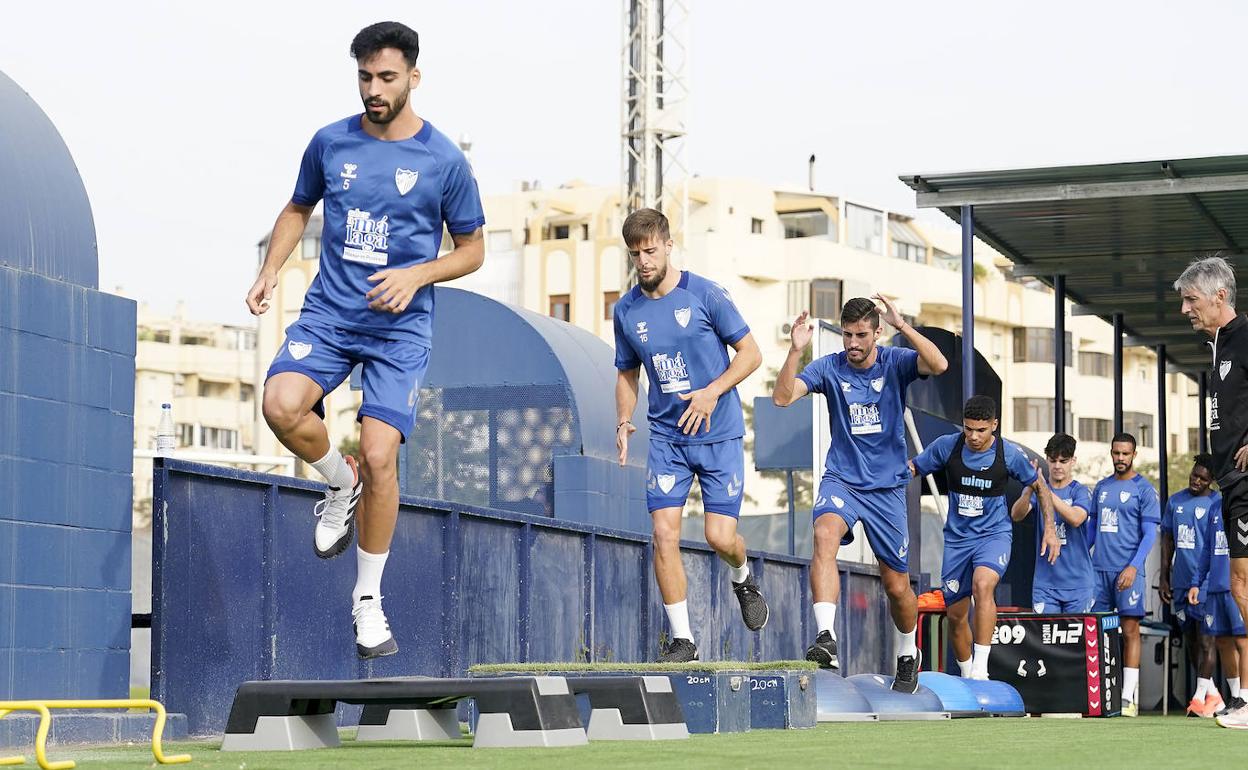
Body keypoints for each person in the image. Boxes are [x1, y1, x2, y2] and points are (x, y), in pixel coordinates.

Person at [245, 22, 485, 658]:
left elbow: (473, 250)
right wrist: (271, 268)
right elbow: (299, 207)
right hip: (330, 313)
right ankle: (335, 481)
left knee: (382, 455)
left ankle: (368, 602)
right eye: (364, 77)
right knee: (280, 406)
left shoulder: (443, 161)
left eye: (386, 77)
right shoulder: (330, 142)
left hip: (400, 329)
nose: (374, 89)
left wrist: (418, 273)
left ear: (413, 77)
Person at [613, 208, 767, 663]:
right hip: (666, 438)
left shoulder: (705, 294)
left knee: (721, 538)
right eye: (635, 253)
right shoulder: (626, 310)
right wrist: (623, 422)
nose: (643, 261)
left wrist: (712, 392)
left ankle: (742, 577)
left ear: (668, 245)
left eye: (650, 250)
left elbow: (751, 354)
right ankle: (684, 641)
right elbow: (626, 373)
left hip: (718, 435)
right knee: (663, 534)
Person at [772, 297, 947, 693]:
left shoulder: (896, 362)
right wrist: (796, 351)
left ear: (876, 333)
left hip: (887, 489)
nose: (852, 343)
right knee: (823, 536)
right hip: (843, 481)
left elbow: (939, 365)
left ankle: (907, 651)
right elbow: (782, 398)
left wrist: (904, 326)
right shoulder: (829, 368)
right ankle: (826, 638)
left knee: (897, 586)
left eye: (861, 335)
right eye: (848, 334)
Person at [910, 396, 1059, 681]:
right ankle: (968, 676)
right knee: (955, 616)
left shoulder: (1009, 454)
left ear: (994, 425)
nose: (974, 437)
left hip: (994, 536)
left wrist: (1050, 528)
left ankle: (981, 668)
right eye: (969, 429)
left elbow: (1038, 484)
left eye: (981, 430)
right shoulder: (948, 446)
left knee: (983, 584)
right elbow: (914, 468)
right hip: (957, 541)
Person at [1176, 255, 1248, 727]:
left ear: (1220, 296)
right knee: (1242, 586)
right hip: (1232, 482)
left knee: (1243, 585)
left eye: (1191, 299)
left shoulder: (1245, 335)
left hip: (1246, 479)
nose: (1184, 309)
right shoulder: (1219, 346)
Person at [1088, 434, 1160, 716]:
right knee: (1097, 630)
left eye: (1125, 454)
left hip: (1127, 571)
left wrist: (1133, 566)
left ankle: (1128, 698)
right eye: (1116, 453)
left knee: (1130, 631)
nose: (1120, 458)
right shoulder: (1102, 487)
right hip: (1098, 571)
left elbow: (1149, 534)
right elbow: (1092, 529)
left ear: (1134, 455)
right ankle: (1098, 694)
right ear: (1111, 453)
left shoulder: (1143, 489)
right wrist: (1084, 556)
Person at [1159, 455, 1222, 717]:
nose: (1196, 481)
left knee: (1207, 640)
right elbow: (1168, 541)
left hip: (1207, 582)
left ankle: (1198, 699)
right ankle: (1214, 695)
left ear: (1212, 481)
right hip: (1181, 582)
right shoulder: (1175, 501)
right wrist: (1164, 576)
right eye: (1194, 475)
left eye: (1203, 478)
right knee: (1191, 641)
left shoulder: (1217, 503)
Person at [1009, 433, 1094, 613]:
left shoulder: (1080, 491)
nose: (1057, 466)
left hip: (1078, 584)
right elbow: (1016, 515)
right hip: (1045, 585)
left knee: (1077, 641)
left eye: (1063, 461)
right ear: (1047, 459)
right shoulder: (1036, 488)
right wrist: (1030, 489)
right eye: (1053, 460)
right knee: (1045, 640)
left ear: (1073, 461)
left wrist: (1044, 490)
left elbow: (1076, 518)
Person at [1188, 498, 1248, 726]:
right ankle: (1236, 699)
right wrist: (1197, 581)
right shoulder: (1215, 506)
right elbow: (1206, 549)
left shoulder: (1243, 502)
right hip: (1215, 587)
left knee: (1243, 642)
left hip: (1239, 586)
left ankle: (1245, 696)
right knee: (1223, 642)